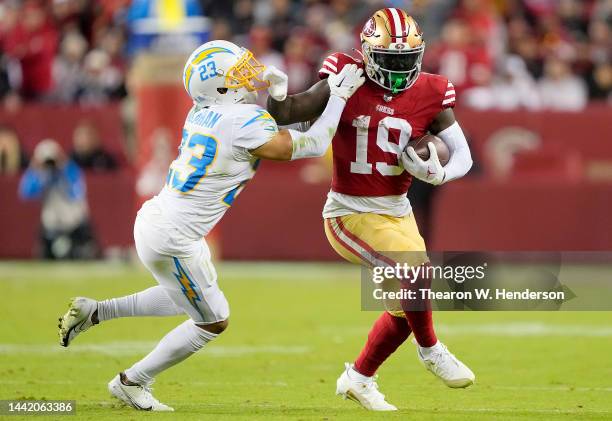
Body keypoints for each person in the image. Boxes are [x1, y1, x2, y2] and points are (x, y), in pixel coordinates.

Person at [57, 39, 364, 411]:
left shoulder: (201, 112)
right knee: (212, 322)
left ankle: (96, 312)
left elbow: (276, 129)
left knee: (182, 301)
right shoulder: (240, 121)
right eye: (237, 74)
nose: (248, 76)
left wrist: (279, 93)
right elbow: (314, 144)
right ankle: (133, 381)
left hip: (160, 220)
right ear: (220, 86)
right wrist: (340, 98)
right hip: (175, 235)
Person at [266, 8, 474, 411]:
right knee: (418, 271)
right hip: (349, 212)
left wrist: (439, 175)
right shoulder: (346, 75)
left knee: (406, 304)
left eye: (405, 60)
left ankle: (359, 378)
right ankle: (431, 351)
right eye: (389, 60)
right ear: (366, 53)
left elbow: (463, 154)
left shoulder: (432, 90)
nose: (398, 70)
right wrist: (275, 93)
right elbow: (289, 114)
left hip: (398, 210)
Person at [18, 138, 97, 259]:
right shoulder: (39, 175)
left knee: (83, 254)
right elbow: (25, 193)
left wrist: (61, 173)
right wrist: (39, 173)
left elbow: (76, 194)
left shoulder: (70, 170)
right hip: (51, 226)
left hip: (74, 225)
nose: (50, 165)